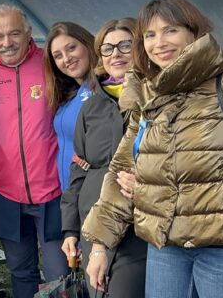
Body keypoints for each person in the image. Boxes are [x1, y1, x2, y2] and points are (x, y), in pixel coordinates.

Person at [82, 0, 223, 298]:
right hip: (166, 249)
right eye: (150, 35)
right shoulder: (147, 98)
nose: (159, 43)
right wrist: (99, 246)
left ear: (193, 32)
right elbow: (120, 172)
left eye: (170, 30)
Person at [0, 5, 68, 297]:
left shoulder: (51, 65)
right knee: (21, 271)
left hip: (52, 191)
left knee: (59, 273)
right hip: (5, 193)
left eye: (14, 33)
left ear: (28, 33)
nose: (7, 42)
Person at [60, 18, 147, 297]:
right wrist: (70, 229)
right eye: (107, 49)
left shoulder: (155, 99)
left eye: (125, 45)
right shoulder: (92, 106)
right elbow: (79, 168)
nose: (116, 54)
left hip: (137, 229)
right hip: (93, 223)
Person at [44, 22, 97, 191]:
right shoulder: (70, 93)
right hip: (69, 195)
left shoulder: (102, 89)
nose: (66, 58)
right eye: (58, 56)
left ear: (87, 44)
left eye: (71, 48)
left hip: (92, 196)